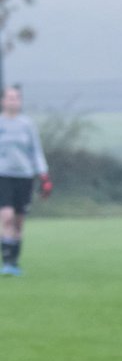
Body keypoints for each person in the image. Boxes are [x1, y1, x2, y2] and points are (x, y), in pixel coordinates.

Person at [0, 85, 51, 277]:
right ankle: (7, 263)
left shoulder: (27, 125)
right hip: (3, 175)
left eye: (17, 97)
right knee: (6, 217)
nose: (13, 100)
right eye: (10, 97)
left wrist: (44, 175)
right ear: (2, 101)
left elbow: (36, 151)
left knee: (19, 222)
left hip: (25, 176)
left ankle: (14, 262)